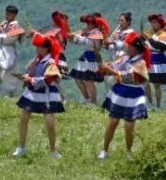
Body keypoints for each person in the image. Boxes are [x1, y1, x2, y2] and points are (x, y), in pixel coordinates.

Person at [97, 32, 150, 160]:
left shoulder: (141, 62)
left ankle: (129, 152)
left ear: (136, 48)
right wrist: (104, 68)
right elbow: (113, 66)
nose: (127, 48)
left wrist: (111, 71)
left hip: (134, 95)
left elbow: (130, 77)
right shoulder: (125, 57)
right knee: (113, 121)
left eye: (129, 46)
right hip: (120, 91)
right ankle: (105, 150)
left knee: (128, 125)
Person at [12, 33, 65, 159]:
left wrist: (30, 80)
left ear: (46, 48)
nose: (37, 49)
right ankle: (21, 147)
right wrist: (24, 76)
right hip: (32, 92)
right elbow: (28, 72)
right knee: (23, 119)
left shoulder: (51, 62)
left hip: (46, 93)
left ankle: (53, 151)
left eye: (39, 46)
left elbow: (48, 80)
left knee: (50, 123)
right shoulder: (36, 60)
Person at [0, 5, 24, 96]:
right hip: (2, 50)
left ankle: (11, 95)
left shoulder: (16, 26)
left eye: (9, 14)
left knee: (8, 72)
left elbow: (10, 38)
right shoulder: (3, 24)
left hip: (10, 51)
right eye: (6, 13)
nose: (7, 15)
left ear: (14, 15)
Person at [68, 14, 107, 105]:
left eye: (89, 23)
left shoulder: (97, 33)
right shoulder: (89, 31)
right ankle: (86, 98)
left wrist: (75, 37)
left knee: (89, 81)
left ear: (94, 24)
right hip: (86, 56)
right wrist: (71, 34)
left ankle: (93, 102)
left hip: (93, 56)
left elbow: (89, 44)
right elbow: (75, 37)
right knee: (77, 78)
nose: (87, 25)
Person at [146, 13, 166, 110]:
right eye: (151, 23)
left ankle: (158, 106)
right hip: (151, 59)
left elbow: (160, 46)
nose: (152, 25)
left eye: (154, 22)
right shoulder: (153, 34)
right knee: (146, 82)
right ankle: (151, 103)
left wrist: (149, 38)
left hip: (160, 60)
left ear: (160, 23)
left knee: (157, 84)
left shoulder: (163, 34)